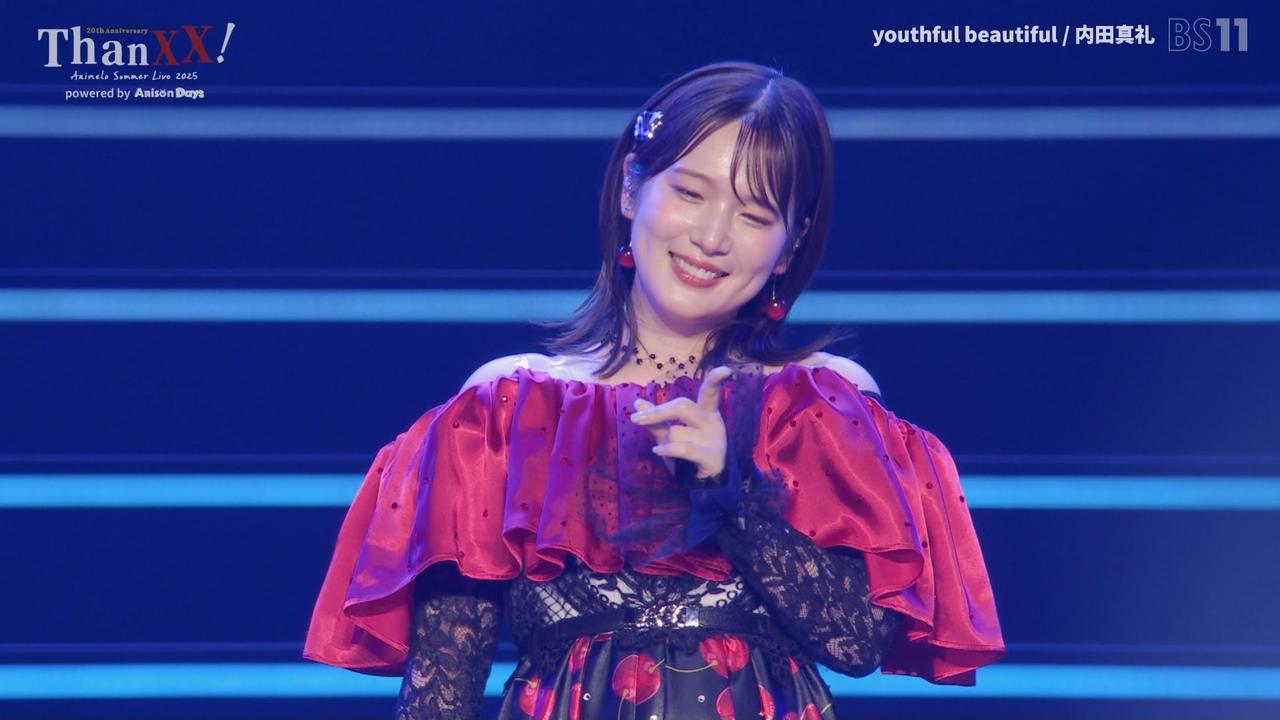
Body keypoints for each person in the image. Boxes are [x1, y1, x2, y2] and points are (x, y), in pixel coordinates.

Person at [303, 61, 1006, 720]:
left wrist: (732, 494)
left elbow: (858, 642)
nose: (712, 236)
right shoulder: (509, 407)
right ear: (631, 187)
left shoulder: (818, 403)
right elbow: (442, 690)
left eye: (754, 215)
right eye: (691, 193)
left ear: (789, 248)